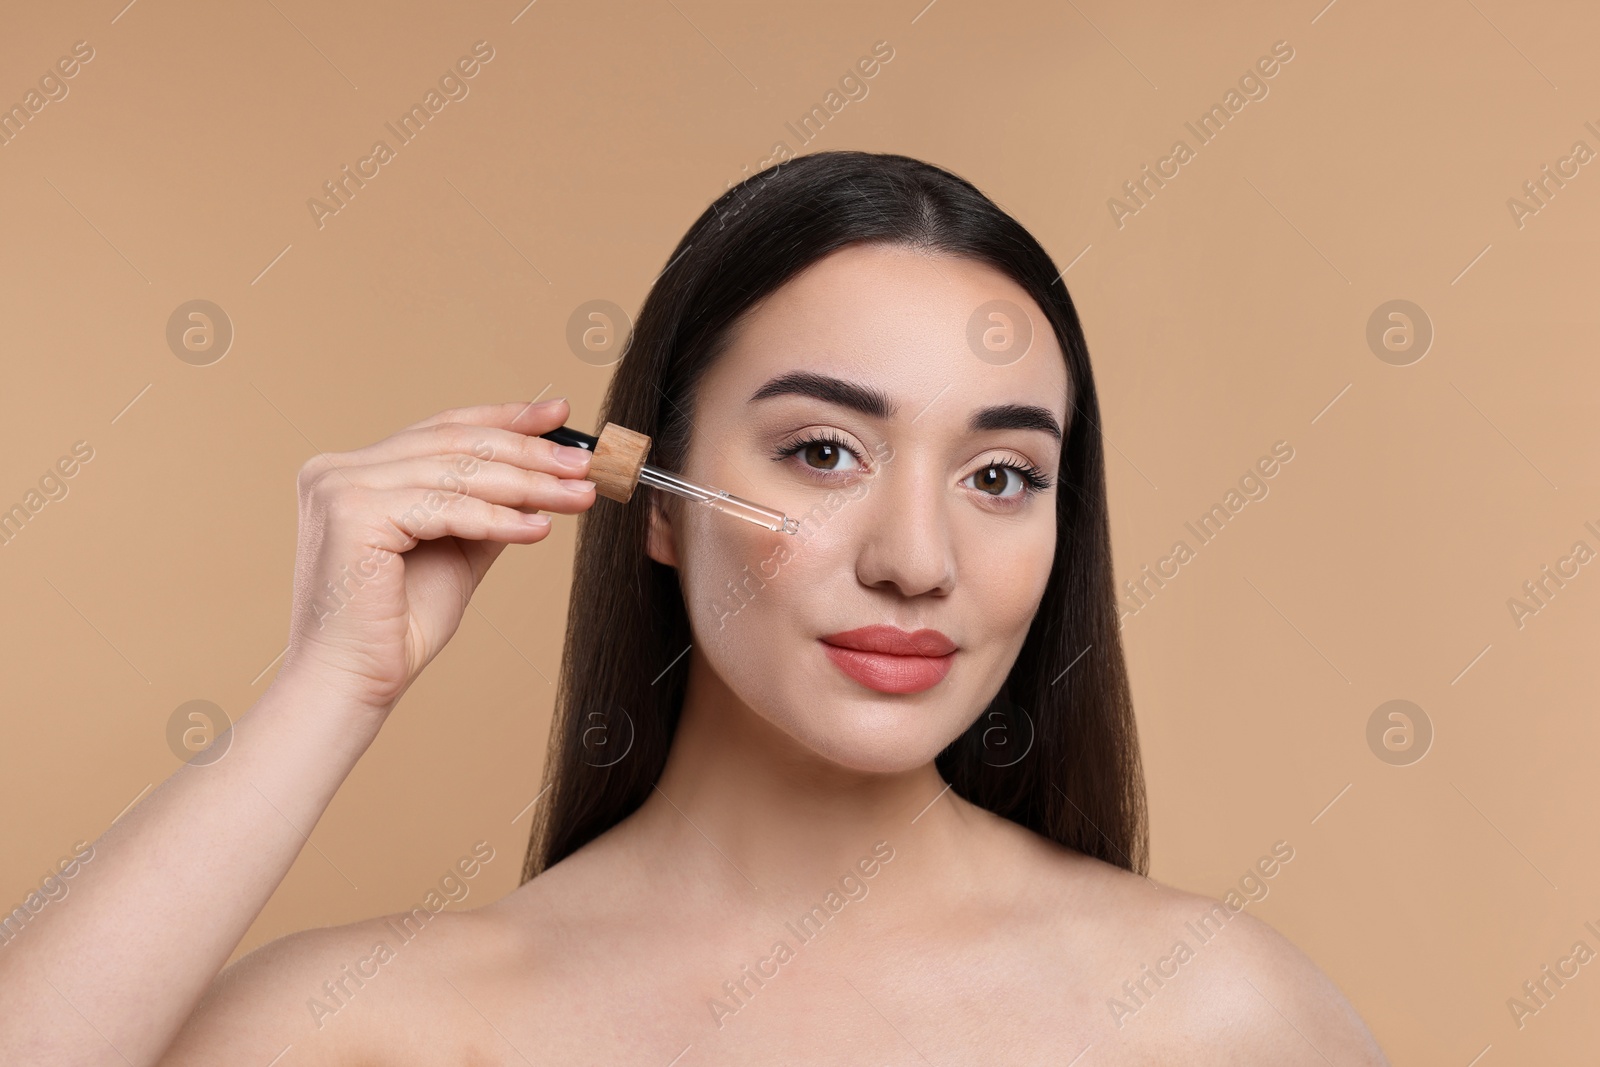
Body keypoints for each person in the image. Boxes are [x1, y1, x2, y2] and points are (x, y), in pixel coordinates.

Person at [1, 150, 1389, 1065]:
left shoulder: (1211, 1016)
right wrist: (329, 689)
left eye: (1003, 473)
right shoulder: (381, 1029)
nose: (919, 558)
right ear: (654, 494)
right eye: (824, 451)